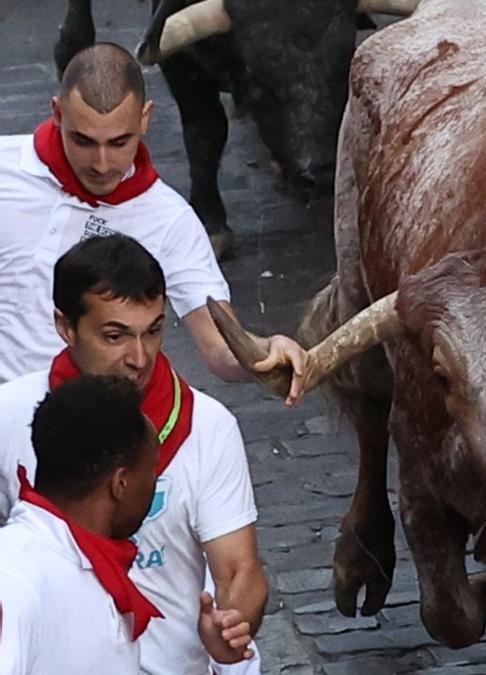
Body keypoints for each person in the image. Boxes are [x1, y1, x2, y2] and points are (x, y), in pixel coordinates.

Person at [0, 235, 266, 674]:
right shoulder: (9, 413)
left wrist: (232, 624)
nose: (139, 358)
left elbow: (240, 568)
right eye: (115, 336)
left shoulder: (209, 425)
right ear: (65, 327)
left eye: (154, 331)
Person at [0, 42, 308, 403]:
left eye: (119, 142)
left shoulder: (169, 220)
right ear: (57, 112)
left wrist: (269, 351)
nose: (101, 163)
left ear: (145, 118)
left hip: (90, 433)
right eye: (83, 141)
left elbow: (221, 347)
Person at [0, 376, 161, 674]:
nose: (155, 481)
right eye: (152, 468)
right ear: (120, 483)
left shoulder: (84, 565)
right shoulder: (13, 580)